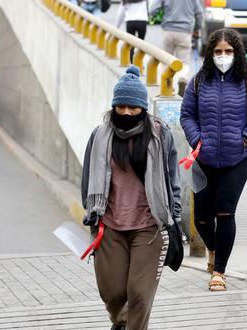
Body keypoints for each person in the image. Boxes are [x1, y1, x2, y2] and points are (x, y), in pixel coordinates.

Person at [81, 66, 182, 330]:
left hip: (150, 226)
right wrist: (91, 212)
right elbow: (87, 177)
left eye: (133, 107)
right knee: (112, 292)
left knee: (139, 294)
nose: (126, 112)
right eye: (121, 106)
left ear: (143, 108)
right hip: (110, 224)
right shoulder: (100, 136)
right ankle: (123, 322)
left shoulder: (160, 135)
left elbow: (173, 180)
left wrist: (176, 218)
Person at [180, 29, 247, 291]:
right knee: (202, 219)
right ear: (210, 53)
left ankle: (219, 271)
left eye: (228, 51)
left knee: (225, 213)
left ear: (237, 53)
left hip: (236, 160)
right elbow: (187, 115)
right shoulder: (199, 81)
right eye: (218, 52)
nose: (223, 56)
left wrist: (245, 139)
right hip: (202, 160)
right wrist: (197, 138)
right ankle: (213, 248)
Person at [148, 0, 203, 80]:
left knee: (166, 60)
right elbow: (199, 13)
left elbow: (152, 9)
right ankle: (182, 79)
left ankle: (166, 85)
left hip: (168, 30)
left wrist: (157, 16)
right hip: (185, 31)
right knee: (183, 63)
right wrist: (197, 28)